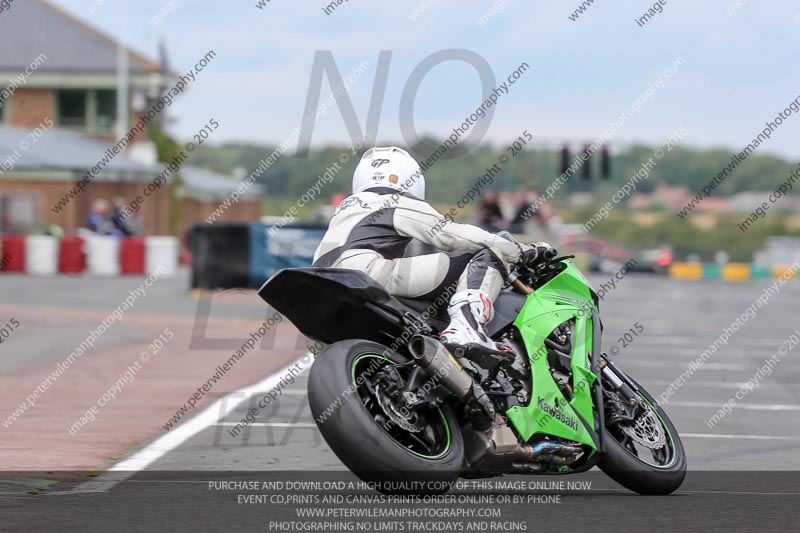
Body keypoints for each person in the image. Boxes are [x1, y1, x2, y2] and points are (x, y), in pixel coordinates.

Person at [312, 146, 555, 352]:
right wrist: (522, 250)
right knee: (489, 253)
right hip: (367, 275)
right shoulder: (396, 200)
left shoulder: (345, 208)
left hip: (321, 288)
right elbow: (452, 235)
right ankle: (466, 328)